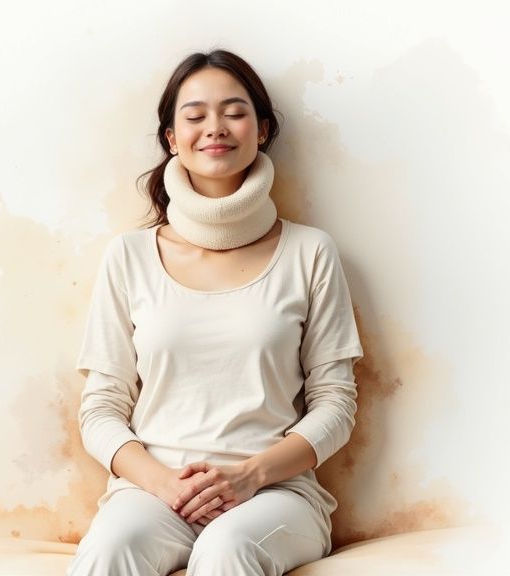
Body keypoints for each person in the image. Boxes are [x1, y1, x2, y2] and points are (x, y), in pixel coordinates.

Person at [67, 49, 364, 576]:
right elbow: (101, 409)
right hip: (153, 492)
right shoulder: (129, 256)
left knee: (228, 548)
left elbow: (336, 404)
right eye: (195, 115)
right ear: (171, 138)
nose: (215, 128)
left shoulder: (310, 251)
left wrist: (249, 475)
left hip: (276, 495)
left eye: (234, 111)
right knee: (109, 549)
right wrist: (164, 484)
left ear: (263, 129)